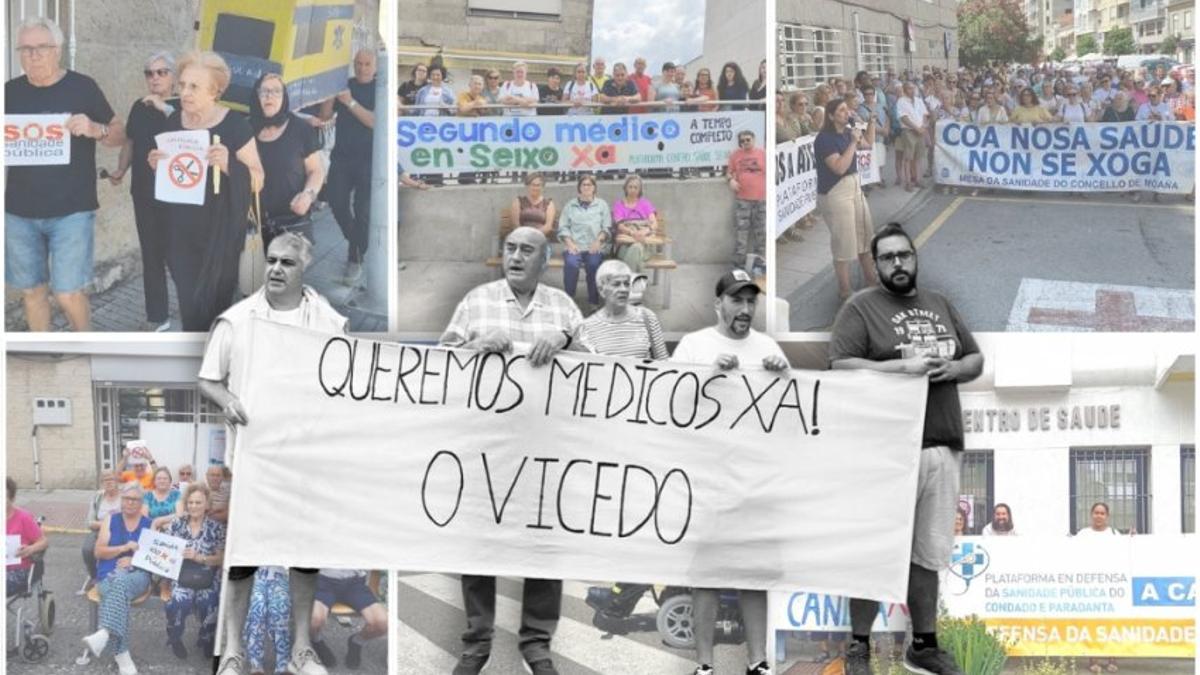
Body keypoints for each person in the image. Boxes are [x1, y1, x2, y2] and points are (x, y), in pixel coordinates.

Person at [831, 223, 983, 675]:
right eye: (887, 258)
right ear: (875, 265)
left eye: (904, 255)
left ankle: (923, 644)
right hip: (887, 450)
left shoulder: (940, 303)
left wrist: (953, 367)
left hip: (941, 442)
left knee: (928, 554)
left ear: (915, 257)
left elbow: (975, 359)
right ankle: (859, 646)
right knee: (874, 550)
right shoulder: (860, 307)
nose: (898, 263)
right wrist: (903, 368)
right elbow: (840, 364)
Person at [440, 226, 590, 675]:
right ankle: (476, 643)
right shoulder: (476, 302)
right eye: (510, 249)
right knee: (480, 543)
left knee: (543, 542)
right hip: (487, 445)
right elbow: (439, 364)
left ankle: (537, 643)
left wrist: (565, 344)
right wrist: (474, 346)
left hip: (545, 447)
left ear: (546, 262)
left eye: (527, 250)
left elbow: (599, 373)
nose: (516, 257)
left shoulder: (563, 308)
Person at [199, 233, 347, 675]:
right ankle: (232, 651)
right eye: (271, 261)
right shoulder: (236, 320)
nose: (276, 269)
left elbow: (343, 385)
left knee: (303, 555)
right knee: (243, 558)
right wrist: (227, 401)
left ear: (306, 268)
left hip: (305, 459)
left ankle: (302, 649)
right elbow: (208, 379)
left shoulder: (329, 322)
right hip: (252, 460)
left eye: (287, 263)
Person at [672, 270, 787, 675]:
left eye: (751, 301)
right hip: (708, 479)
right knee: (707, 576)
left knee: (753, 575)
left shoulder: (769, 346)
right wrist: (708, 374)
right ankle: (705, 665)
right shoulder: (693, 345)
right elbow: (669, 404)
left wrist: (782, 374)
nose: (745, 309)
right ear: (717, 303)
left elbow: (788, 414)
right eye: (737, 300)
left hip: (756, 480)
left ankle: (758, 662)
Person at [6, 17, 126, 332]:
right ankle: (45, 354)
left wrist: (94, 128)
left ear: (57, 50)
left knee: (68, 292)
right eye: (25, 49)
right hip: (19, 211)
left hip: (71, 210)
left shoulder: (82, 87)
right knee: (32, 291)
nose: (32, 55)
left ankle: (86, 351)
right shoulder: (9, 93)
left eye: (40, 48)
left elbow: (118, 134)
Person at [150, 50, 262, 332]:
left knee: (216, 306)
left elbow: (259, 179)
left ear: (215, 91)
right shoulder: (173, 122)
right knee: (189, 304)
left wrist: (229, 166)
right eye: (182, 85)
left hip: (220, 235)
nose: (184, 93)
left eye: (194, 87)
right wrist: (156, 165)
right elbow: (173, 172)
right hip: (180, 232)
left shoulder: (236, 126)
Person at [108, 51, 177, 332]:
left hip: (178, 196)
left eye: (161, 72)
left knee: (179, 256)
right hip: (145, 193)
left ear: (172, 76)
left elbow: (190, 139)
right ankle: (158, 317)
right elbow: (130, 142)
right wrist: (121, 170)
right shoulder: (139, 106)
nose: (155, 78)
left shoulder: (183, 106)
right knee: (151, 255)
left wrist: (165, 109)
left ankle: (199, 309)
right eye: (149, 73)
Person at [319, 48, 377, 287]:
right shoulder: (345, 85)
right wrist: (331, 96)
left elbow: (375, 122)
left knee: (362, 210)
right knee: (335, 200)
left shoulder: (378, 89)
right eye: (359, 63)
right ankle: (359, 244)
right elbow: (324, 117)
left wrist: (349, 101)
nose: (362, 68)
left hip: (368, 158)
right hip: (342, 156)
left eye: (366, 64)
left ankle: (355, 256)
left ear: (375, 67)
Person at [82, 482, 153, 675]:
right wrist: (122, 549)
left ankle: (104, 633)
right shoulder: (110, 520)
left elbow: (153, 559)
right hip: (107, 576)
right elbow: (98, 552)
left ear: (141, 503)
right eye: (126, 498)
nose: (129, 503)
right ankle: (122, 655)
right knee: (118, 584)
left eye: (134, 499)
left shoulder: (149, 523)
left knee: (120, 583)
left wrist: (134, 559)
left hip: (138, 576)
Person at [250, 73, 324, 250]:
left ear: (284, 97)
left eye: (276, 91)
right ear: (256, 96)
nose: (270, 96)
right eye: (264, 91)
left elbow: (316, 171)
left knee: (283, 277)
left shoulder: (301, 129)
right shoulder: (244, 129)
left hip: (292, 222)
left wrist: (308, 195)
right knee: (253, 278)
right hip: (253, 223)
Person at [815, 98, 879, 302]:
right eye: (842, 110)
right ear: (832, 116)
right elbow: (839, 167)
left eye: (847, 109)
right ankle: (845, 290)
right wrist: (853, 142)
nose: (847, 112)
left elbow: (867, 146)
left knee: (865, 238)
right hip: (836, 192)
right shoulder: (824, 139)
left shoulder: (847, 132)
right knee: (844, 244)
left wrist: (870, 123)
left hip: (854, 187)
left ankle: (872, 282)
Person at [164, 483, 225, 659]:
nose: (193, 506)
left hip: (207, 575)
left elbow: (220, 558)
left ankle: (206, 639)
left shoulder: (216, 527)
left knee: (210, 601)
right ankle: (175, 638)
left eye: (198, 502)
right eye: (190, 502)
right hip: (181, 574)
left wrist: (201, 558)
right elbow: (164, 551)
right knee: (178, 602)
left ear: (207, 504)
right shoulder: (177, 524)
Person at [582, 260, 667, 359]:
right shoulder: (588, 327)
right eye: (616, 284)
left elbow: (663, 362)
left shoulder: (647, 318)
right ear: (601, 290)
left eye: (626, 284)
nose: (623, 289)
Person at [1075, 502, 1121, 673]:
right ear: (1091, 514)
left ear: (1107, 516)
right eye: (1096, 512)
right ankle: (1093, 660)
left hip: (1110, 585)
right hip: (1089, 585)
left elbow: (1125, 554)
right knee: (1091, 623)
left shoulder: (1115, 534)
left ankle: (1112, 659)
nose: (1099, 516)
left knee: (1111, 623)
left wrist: (1134, 539)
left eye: (1102, 513)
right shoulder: (1083, 535)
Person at [310, 570, 387, 669]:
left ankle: (356, 642)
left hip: (355, 584)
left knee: (382, 623)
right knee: (314, 619)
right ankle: (316, 640)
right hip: (322, 581)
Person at [558, 174, 612, 308]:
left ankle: (593, 301)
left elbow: (606, 227)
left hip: (594, 247)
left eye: (590, 185)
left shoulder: (602, 205)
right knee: (571, 265)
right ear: (579, 188)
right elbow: (563, 227)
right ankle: (569, 300)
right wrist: (570, 243)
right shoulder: (570, 205)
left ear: (594, 188)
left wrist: (598, 242)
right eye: (584, 185)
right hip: (574, 246)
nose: (587, 187)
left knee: (593, 265)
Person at [727, 130, 766, 275]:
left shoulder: (763, 154)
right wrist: (730, 180)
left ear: (754, 139)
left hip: (761, 200)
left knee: (760, 234)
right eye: (742, 141)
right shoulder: (735, 155)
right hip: (742, 200)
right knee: (741, 235)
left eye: (748, 139)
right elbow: (729, 172)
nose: (745, 143)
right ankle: (738, 266)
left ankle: (760, 265)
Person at [244, 567, 292, 675]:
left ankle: (283, 665)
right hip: (254, 575)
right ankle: (256, 665)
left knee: (280, 606)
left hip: (282, 574)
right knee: (257, 605)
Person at [7, 477, 49, 597]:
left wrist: (30, 549)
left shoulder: (23, 518)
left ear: (12, 498)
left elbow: (43, 542)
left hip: (18, 569)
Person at [611, 175, 657, 273]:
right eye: (630, 187)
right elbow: (620, 225)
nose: (633, 190)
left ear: (640, 190)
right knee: (635, 253)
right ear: (625, 188)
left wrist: (644, 232)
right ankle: (636, 283)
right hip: (625, 244)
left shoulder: (645, 204)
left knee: (636, 249)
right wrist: (633, 233)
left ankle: (627, 282)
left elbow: (654, 223)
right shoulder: (619, 205)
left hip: (645, 243)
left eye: (636, 187)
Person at [83, 471, 122, 580]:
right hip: (99, 531)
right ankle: (94, 576)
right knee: (87, 549)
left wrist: (107, 524)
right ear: (102, 483)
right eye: (105, 480)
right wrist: (104, 524)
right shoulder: (98, 497)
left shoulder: (124, 496)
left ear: (117, 481)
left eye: (111, 479)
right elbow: (89, 522)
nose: (109, 482)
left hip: (119, 530)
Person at [895, 81, 928, 192]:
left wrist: (923, 126)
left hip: (920, 131)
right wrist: (916, 128)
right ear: (904, 90)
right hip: (909, 131)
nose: (912, 90)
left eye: (913, 88)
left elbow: (924, 114)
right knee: (908, 158)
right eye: (909, 88)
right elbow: (904, 118)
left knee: (918, 157)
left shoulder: (919, 100)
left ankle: (918, 179)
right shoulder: (901, 101)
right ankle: (908, 182)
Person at [511, 172, 557, 248]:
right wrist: (525, 237)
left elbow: (548, 226)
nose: (535, 188)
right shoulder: (518, 201)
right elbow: (515, 224)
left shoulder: (549, 203)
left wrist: (533, 236)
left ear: (542, 187)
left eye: (538, 185)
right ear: (528, 186)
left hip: (540, 240)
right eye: (533, 185)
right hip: (521, 239)